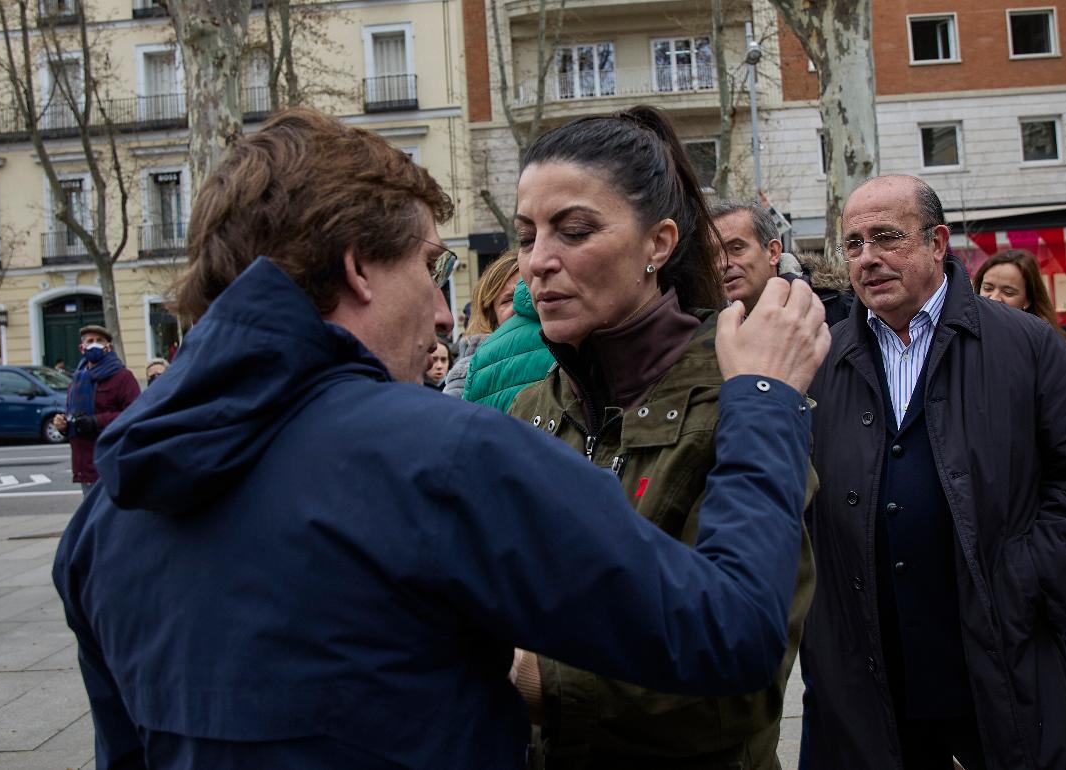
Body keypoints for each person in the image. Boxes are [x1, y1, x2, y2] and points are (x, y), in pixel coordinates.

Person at [52, 108, 831, 769]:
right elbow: (730, 628)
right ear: (359, 269)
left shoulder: (104, 518)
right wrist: (765, 402)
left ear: (659, 244)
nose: (444, 310)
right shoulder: (457, 447)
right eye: (432, 265)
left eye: (573, 229)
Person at [507, 106, 820, 770]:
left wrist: (539, 681)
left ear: (658, 243)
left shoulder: (741, 393)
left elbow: (738, 684)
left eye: (574, 230)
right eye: (525, 234)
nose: (538, 262)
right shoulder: (531, 409)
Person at [801, 175, 1066, 770]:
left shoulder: (1024, 344)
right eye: (852, 244)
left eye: (886, 237)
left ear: (936, 242)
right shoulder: (821, 357)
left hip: (996, 654)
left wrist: (1023, 585)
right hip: (867, 664)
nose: (867, 258)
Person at [974, 248, 1066, 770]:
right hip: (990, 525)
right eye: (988, 287)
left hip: (1034, 531)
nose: (995, 297)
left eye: (1009, 290)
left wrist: (1042, 560)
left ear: (1031, 299)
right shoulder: (968, 344)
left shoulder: (1043, 348)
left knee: (1061, 631)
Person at [53, 325, 140, 495]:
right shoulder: (78, 379)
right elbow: (73, 415)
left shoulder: (123, 377)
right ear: (82, 348)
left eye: (100, 341)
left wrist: (95, 421)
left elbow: (135, 414)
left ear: (109, 347)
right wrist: (64, 426)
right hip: (85, 465)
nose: (95, 344)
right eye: (90, 341)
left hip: (112, 462)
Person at [461, 278, 553, 412]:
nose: (517, 307)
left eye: (523, 293)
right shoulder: (478, 363)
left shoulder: (564, 334)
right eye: (507, 300)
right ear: (491, 315)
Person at [444, 252, 518, 399]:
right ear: (492, 315)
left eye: (528, 294)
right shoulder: (470, 374)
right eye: (508, 299)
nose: (520, 305)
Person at [711, 201, 782, 313]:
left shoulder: (816, 309)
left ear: (773, 252)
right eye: (713, 256)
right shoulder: (703, 325)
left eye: (736, 248)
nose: (723, 264)